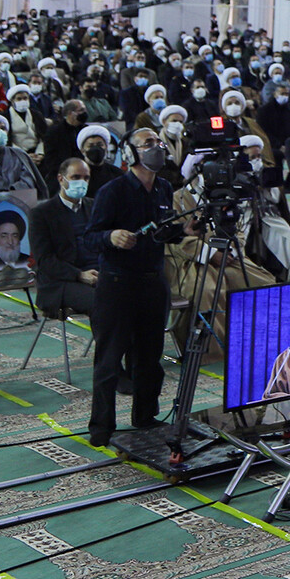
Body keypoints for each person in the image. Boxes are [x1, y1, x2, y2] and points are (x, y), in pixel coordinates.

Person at [79, 127, 188, 446]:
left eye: (158, 142)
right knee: (109, 360)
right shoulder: (112, 191)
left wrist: (186, 229)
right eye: (148, 143)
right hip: (117, 285)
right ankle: (101, 426)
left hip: (153, 283)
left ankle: (145, 416)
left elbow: (164, 233)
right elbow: (90, 237)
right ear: (130, 153)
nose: (157, 147)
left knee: (149, 357)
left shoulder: (164, 188)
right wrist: (111, 236)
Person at [27, 158, 99, 315]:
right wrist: (79, 275)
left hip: (97, 273)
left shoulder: (94, 206)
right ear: (61, 179)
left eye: (86, 178)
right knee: (102, 302)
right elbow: (45, 260)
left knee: (131, 291)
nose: (82, 182)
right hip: (61, 282)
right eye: (76, 177)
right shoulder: (42, 213)